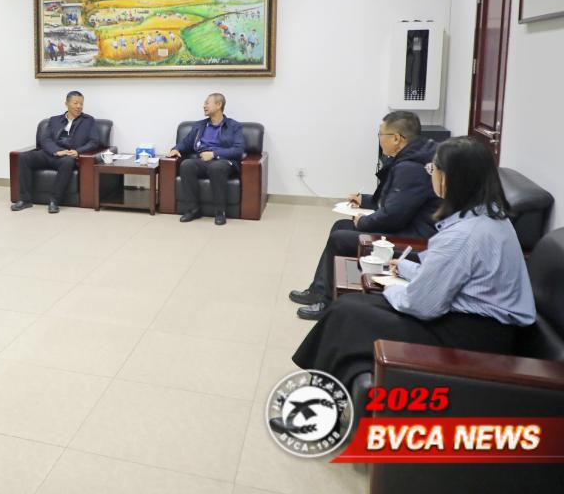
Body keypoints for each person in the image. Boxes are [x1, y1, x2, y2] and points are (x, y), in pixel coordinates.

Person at [292, 136, 536, 391]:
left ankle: (319, 397)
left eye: (432, 169)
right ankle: (327, 393)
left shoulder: (463, 236)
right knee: (349, 309)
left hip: (471, 336)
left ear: (448, 178)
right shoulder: (489, 216)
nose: (430, 175)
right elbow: (451, 276)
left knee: (348, 313)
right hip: (477, 323)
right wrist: (404, 267)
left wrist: (389, 288)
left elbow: (420, 305)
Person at [289, 111, 440, 320]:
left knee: (340, 237)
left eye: (381, 134)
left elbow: (393, 217)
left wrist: (363, 221)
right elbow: (398, 201)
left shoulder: (411, 168)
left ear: (396, 139)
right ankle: (319, 289)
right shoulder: (416, 157)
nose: (379, 139)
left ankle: (327, 302)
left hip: (413, 238)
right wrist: (365, 200)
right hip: (408, 226)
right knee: (341, 225)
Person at [12, 91, 98, 214]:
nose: (79, 106)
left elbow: (94, 142)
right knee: (24, 157)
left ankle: (54, 201)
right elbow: (45, 139)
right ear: (66, 104)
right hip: (52, 153)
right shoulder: (54, 120)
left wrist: (77, 152)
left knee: (67, 162)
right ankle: (25, 200)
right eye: (75, 103)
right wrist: (57, 151)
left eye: (81, 104)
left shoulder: (89, 120)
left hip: (69, 156)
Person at [167, 93, 244, 226]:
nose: (204, 106)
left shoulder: (234, 126)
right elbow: (186, 142)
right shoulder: (200, 125)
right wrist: (176, 149)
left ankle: (220, 212)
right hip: (202, 161)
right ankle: (193, 210)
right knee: (186, 164)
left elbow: (239, 150)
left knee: (216, 167)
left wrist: (214, 154)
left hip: (224, 161)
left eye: (207, 103)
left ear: (218, 105)